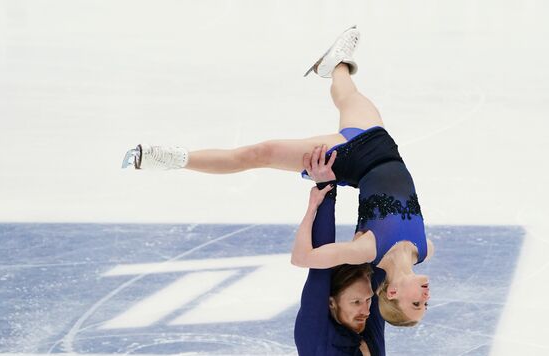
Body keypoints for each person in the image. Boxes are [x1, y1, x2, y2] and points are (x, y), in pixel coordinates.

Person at [122, 26, 434, 326]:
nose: (426, 297)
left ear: (392, 292)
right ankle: (336, 63)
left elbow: (303, 258)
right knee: (348, 95)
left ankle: (172, 158)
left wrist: (316, 201)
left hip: (351, 159)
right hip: (382, 144)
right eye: (425, 304)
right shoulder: (426, 248)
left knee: (260, 153)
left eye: (416, 304)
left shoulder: (366, 251)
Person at [294, 150, 385, 356]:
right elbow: (320, 270)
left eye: (368, 300)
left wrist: (326, 190)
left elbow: (321, 266)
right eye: (356, 302)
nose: (367, 311)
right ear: (331, 302)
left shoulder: (321, 340)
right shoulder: (318, 338)